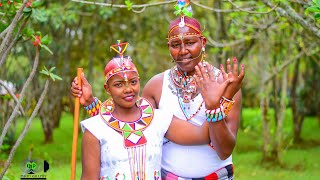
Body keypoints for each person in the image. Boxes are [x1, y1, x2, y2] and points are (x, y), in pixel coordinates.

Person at [72, 4, 245, 179]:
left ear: (203, 42)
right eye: (175, 44)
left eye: (190, 43)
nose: (183, 51)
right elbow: (130, 118)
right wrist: (91, 102)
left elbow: (224, 151)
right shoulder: (156, 85)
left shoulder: (224, 84)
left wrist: (220, 101)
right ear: (168, 47)